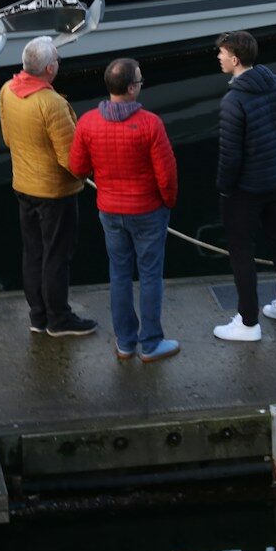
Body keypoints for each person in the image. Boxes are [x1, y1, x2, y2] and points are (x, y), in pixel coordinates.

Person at [70, 57, 181, 362]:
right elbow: (167, 175)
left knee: (119, 275)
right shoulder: (150, 124)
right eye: (141, 81)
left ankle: (125, 343)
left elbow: (77, 167)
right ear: (131, 88)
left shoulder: (88, 122)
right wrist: (168, 202)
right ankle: (151, 343)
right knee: (149, 276)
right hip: (147, 211)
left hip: (110, 210)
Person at [211, 31, 276, 342]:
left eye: (221, 53)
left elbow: (230, 156)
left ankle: (248, 323)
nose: (218, 57)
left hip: (244, 189)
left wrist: (223, 188)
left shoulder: (233, 101)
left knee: (241, 251)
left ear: (235, 59)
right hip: (275, 181)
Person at [0, 36, 95, 337]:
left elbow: (7, 139)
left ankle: (38, 315)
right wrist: (90, 173)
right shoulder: (51, 103)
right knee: (57, 255)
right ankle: (59, 318)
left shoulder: (7, 90)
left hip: (23, 186)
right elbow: (72, 160)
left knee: (33, 252)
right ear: (50, 68)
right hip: (54, 193)